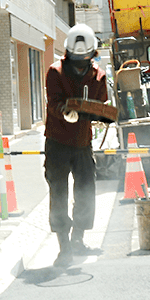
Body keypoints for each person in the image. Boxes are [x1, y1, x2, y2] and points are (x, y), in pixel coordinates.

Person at [44, 23, 107, 268]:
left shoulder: (98, 75)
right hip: (57, 142)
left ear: (92, 54)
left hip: (83, 143)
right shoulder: (55, 72)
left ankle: (78, 239)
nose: (80, 64)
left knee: (86, 192)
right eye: (76, 59)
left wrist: (98, 113)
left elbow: (100, 103)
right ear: (68, 53)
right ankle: (64, 246)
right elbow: (54, 102)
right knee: (58, 194)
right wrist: (67, 111)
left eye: (85, 59)